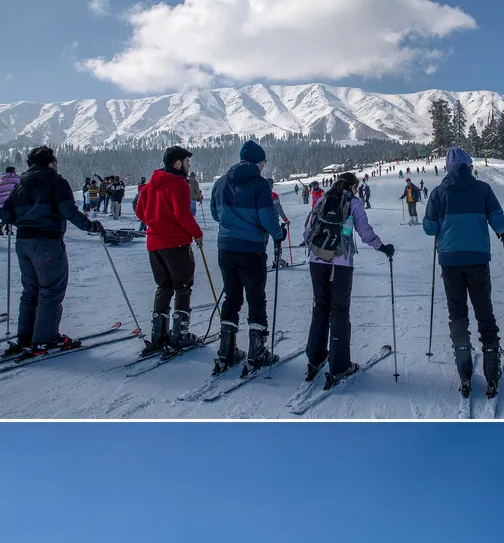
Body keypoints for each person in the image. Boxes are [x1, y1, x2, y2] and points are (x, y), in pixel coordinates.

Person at [0, 145, 105, 356]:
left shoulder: (20, 185)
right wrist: (92, 226)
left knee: (30, 289)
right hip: (47, 242)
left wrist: (24, 220)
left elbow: (6, 214)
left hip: (23, 243)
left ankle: (25, 337)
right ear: (50, 162)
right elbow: (69, 211)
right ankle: (44, 339)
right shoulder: (56, 182)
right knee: (51, 290)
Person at [423, 147, 504, 396]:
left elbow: (429, 228)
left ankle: (464, 372)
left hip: (450, 260)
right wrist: (502, 232)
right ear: (468, 165)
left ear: (448, 168)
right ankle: (492, 372)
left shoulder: (439, 192)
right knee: (484, 311)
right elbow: (499, 221)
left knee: (457, 314)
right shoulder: (483, 189)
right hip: (478, 259)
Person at [304, 171, 394, 386]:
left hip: (316, 261)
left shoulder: (323, 199)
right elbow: (364, 232)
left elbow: (308, 228)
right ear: (353, 186)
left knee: (320, 309)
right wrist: (381, 246)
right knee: (340, 313)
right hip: (340, 264)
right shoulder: (353, 202)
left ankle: (314, 359)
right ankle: (339, 366)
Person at [210, 141, 286, 372]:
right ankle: (257, 351)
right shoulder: (260, 185)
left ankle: (226, 349)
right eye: (263, 163)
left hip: (226, 247)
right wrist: (278, 233)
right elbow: (267, 217)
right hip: (252, 248)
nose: (264, 167)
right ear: (257, 163)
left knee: (231, 296)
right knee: (256, 298)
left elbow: (215, 214)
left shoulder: (221, 182)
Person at [135, 145, 204, 353]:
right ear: (177, 164)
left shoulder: (151, 184)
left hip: (154, 244)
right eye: (186, 162)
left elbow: (139, 211)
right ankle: (179, 334)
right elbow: (183, 214)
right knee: (182, 286)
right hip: (176, 244)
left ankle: (158, 333)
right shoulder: (178, 184)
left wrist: (156, 224)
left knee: (163, 287)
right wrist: (197, 233)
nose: (188, 165)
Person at [0, 166, 20, 234]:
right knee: (11, 213)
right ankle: (5, 228)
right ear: (13, 171)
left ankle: (9, 229)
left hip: (1, 202)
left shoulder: (1, 178)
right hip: (10, 201)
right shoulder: (17, 178)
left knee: (7, 214)